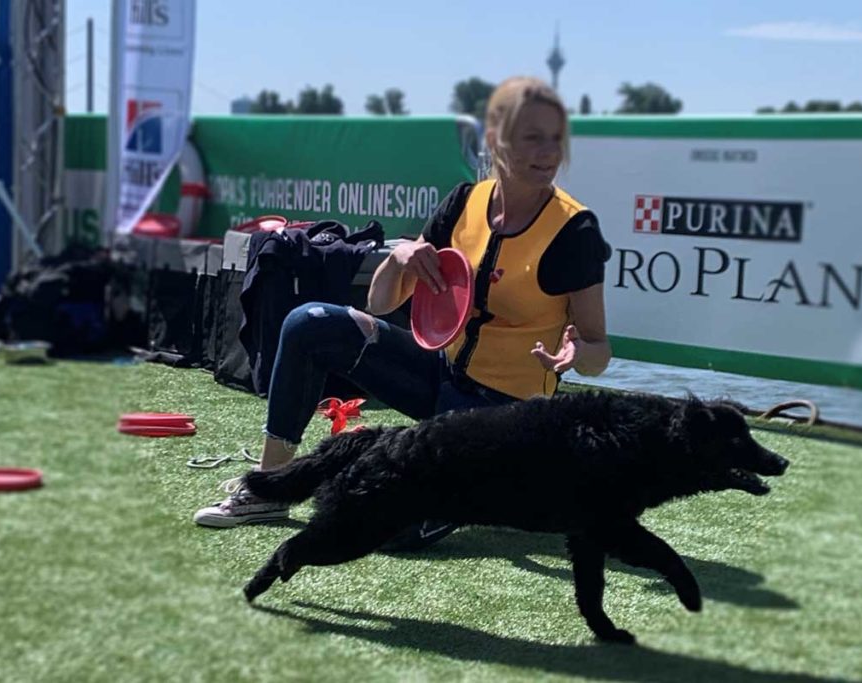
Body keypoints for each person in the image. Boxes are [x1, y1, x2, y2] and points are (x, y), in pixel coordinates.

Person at [193, 76, 612, 544]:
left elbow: (598, 350)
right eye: (533, 137)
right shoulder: (462, 202)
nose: (548, 152)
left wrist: (576, 355)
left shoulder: (576, 230)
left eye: (556, 139)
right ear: (496, 140)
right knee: (309, 323)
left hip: (504, 417)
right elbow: (380, 303)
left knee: (382, 522)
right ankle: (271, 485)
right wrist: (399, 258)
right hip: (439, 375)